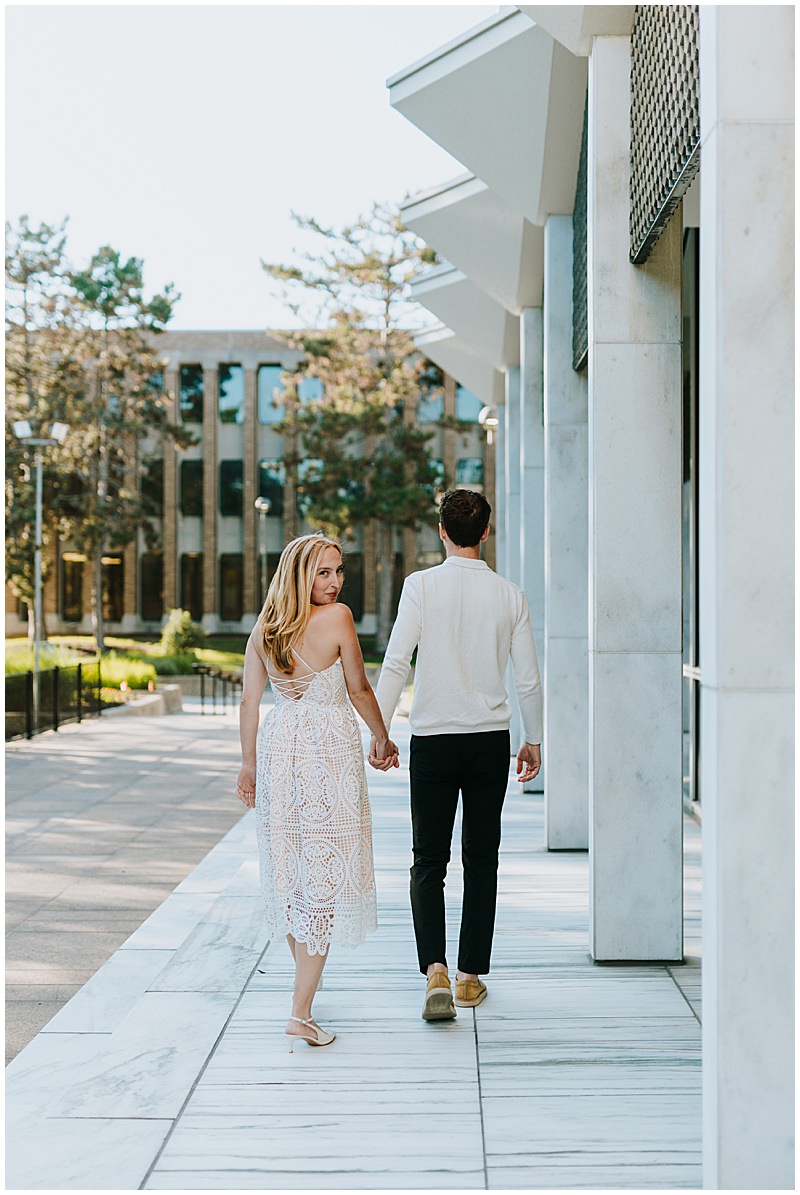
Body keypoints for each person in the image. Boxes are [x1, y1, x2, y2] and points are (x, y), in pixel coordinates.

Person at [370, 489, 542, 1021]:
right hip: (489, 741)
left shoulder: (419, 587)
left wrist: (380, 732)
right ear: (486, 533)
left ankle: (434, 971)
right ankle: (469, 978)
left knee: (428, 860)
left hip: (434, 740)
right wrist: (532, 739)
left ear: (441, 531)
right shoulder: (511, 595)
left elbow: (397, 662)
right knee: (482, 858)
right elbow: (528, 679)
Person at [236, 533, 398, 1051]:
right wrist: (382, 735)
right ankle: (300, 1010)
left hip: (282, 748)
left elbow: (249, 703)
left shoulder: (265, 628)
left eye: (338, 572)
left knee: (293, 876)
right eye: (323, 573)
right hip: (325, 752)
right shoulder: (338, 619)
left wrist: (248, 765)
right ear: (299, 574)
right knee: (319, 880)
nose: (334, 582)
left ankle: (304, 998)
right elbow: (358, 689)